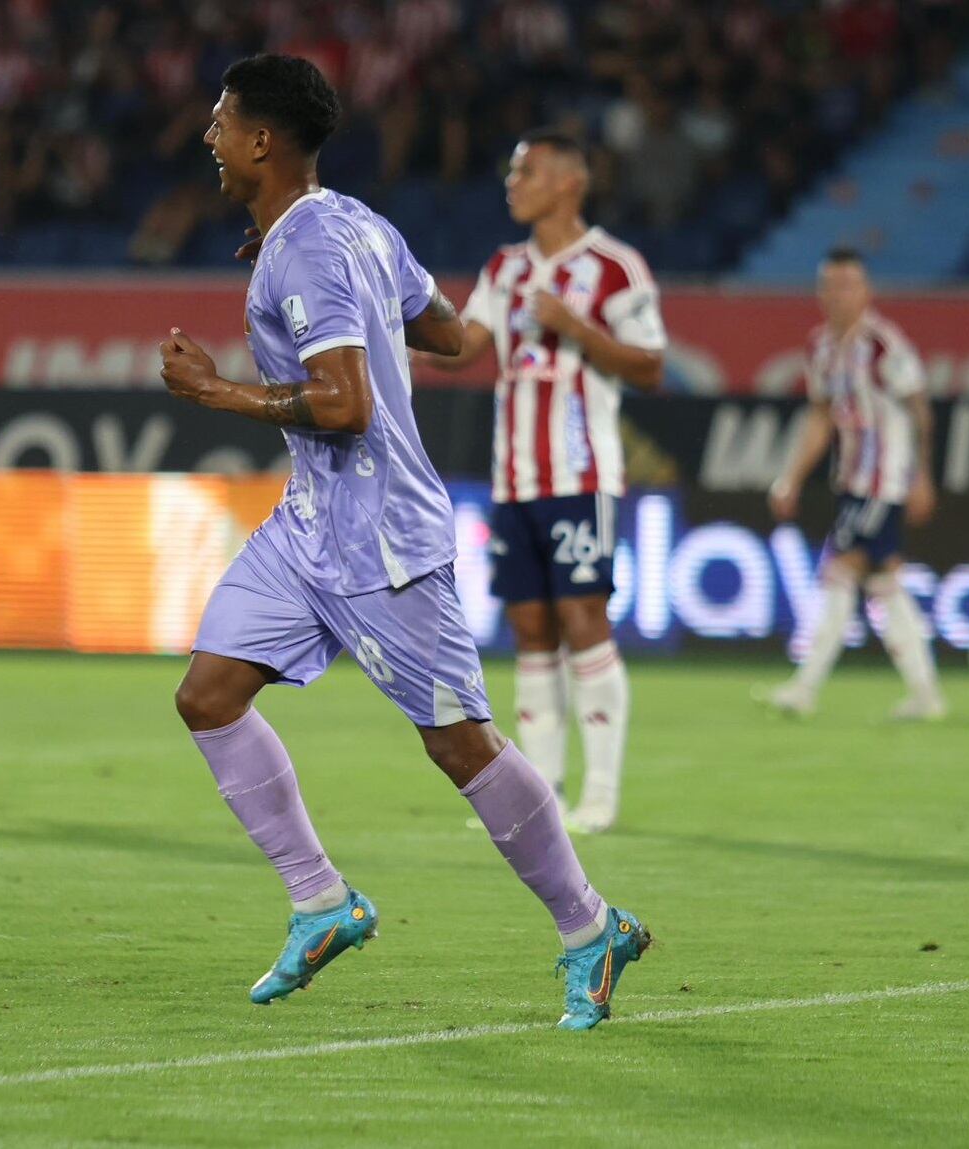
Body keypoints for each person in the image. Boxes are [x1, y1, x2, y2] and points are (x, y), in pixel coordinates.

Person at [157, 55, 650, 1031]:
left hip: (380, 536)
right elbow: (456, 335)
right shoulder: (356, 224)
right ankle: (320, 902)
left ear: (262, 140)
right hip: (310, 523)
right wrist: (368, 310)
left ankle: (590, 927)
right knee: (207, 696)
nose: (207, 138)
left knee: (456, 744)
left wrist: (219, 393)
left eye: (220, 123)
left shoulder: (306, 249)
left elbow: (344, 406)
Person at [418, 130, 666, 834]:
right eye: (512, 168)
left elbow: (649, 366)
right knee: (529, 627)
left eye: (525, 170)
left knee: (583, 620)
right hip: (514, 478)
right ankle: (542, 793)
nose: (511, 180)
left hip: (580, 473)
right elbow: (465, 347)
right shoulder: (505, 267)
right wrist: (393, 329)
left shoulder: (614, 268)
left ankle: (603, 793)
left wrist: (576, 327)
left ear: (568, 183)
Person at [762, 248, 944, 721]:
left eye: (851, 285)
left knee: (838, 571)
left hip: (883, 479)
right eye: (833, 285)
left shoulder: (883, 344)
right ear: (820, 293)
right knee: (885, 583)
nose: (841, 295)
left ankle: (804, 688)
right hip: (852, 479)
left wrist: (922, 475)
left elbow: (918, 407)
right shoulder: (820, 347)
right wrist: (792, 478)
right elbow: (821, 417)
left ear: (867, 292)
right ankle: (926, 695)